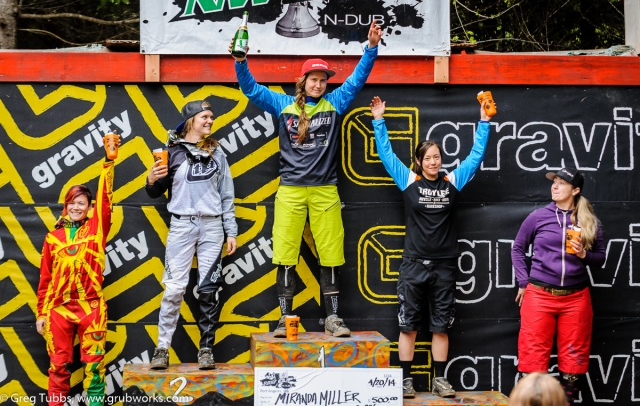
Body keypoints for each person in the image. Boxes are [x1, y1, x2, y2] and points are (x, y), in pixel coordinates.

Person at [229, 21, 383, 338]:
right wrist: (240, 61)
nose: (319, 84)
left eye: (323, 80)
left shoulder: (334, 103)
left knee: (331, 255)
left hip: (325, 191)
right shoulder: (283, 104)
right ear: (302, 81)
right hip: (291, 191)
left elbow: (357, 80)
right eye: (314, 79)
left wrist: (370, 48)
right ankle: (285, 319)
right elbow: (251, 89)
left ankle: (333, 319)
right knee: (285, 255)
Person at [369, 96, 494, 398]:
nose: (433, 162)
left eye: (437, 157)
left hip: (444, 267)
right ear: (419, 162)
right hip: (413, 265)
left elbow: (475, 156)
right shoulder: (408, 180)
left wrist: (485, 122)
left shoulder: (453, 181)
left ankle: (440, 379)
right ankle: (406, 380)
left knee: (440, 327)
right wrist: (378, 121)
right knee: (408, 326)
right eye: (427, 158)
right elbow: (386, 154)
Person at [145, 100, 238, 370]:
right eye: (204, 116)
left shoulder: (217, 152)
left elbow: (227, 195)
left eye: (211, 117)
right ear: (190, 121)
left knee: (209, 290)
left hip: (212, 226)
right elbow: (156, 192)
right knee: (174, 289)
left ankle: (206, 349)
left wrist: (230, 230)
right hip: (182, 225)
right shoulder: (171, 152)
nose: (210, 121)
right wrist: (151, 179)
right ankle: (162, 348)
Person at [36, 132, 120, 406]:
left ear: (88, 208)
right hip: (58, 309)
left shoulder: (96, 230)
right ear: (65, 206)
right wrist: (41, 313)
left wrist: (108, 163)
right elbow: (45, 278)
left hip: (91, 306)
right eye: (71, 202)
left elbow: (105, 200)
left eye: (81, 203)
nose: (75, 207)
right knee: (58, 367)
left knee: (94, 366)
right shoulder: (52, 238)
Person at [511, 167, 605, 405]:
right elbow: (517, 248)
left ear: (575, 190)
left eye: (562, 183)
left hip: (576, 298)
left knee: (573, 362)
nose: (554, 186)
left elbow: (600, 258)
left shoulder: (589, 220)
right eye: (554, 181)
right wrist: (523, 281)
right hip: (539, 295)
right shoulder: (538, 216)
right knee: (532, 360)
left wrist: (584, 254)